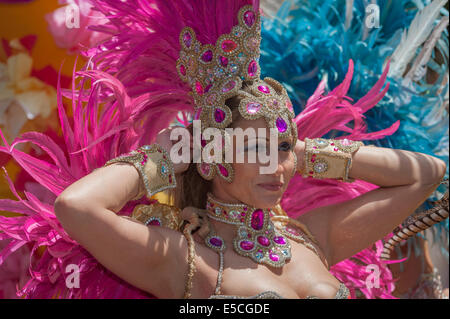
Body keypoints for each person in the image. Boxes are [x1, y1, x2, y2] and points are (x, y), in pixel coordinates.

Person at [0, 0, 447, 299]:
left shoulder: (310, 238)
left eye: (281, 147)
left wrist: (301, 152)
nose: (274, 162)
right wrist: (166, 159)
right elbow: (75, 206)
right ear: (211, 158)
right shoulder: (184, 261)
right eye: (254, 148)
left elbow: (425, 174)